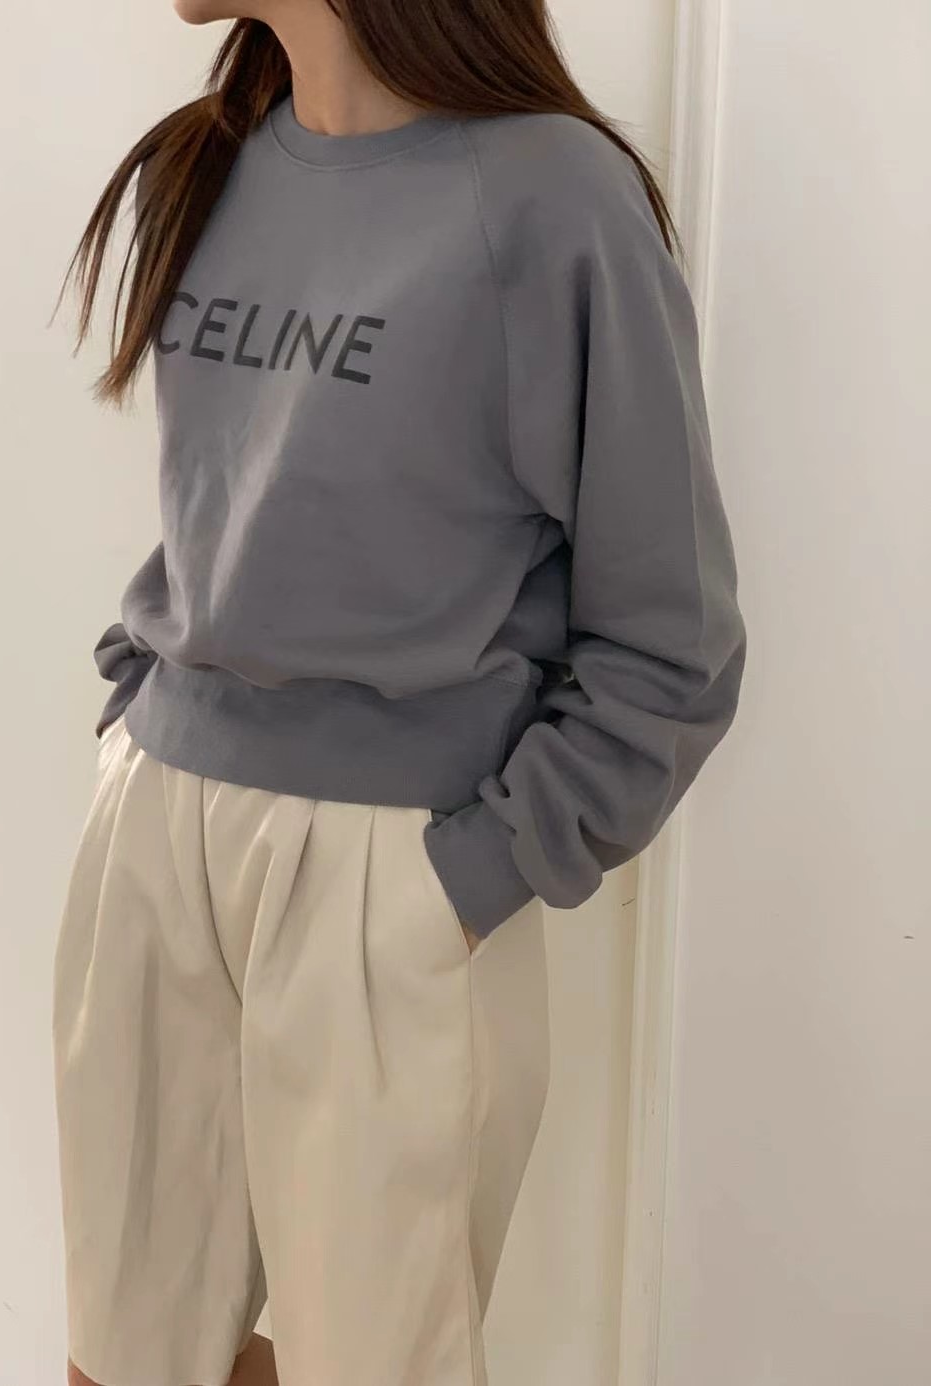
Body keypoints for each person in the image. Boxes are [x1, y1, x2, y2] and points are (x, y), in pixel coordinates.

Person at [50, 2, 747, 1383]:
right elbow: (226, 512)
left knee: (368, 1359)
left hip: (387, 869)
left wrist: (471, 877)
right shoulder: (206, 159)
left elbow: (673, 641)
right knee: (125, 1354)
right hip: (156, 836)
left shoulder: (553, 198)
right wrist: (136, 712)